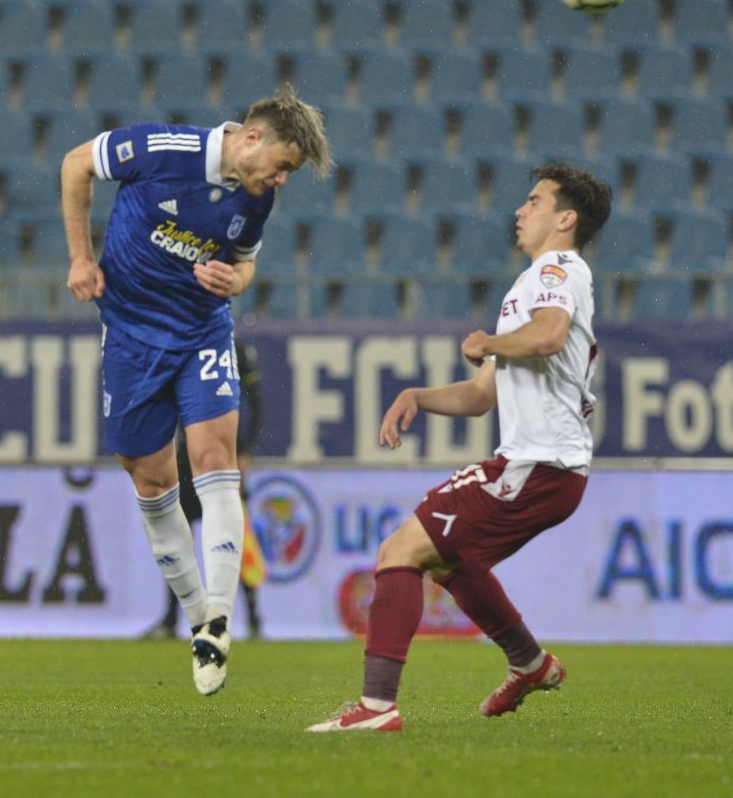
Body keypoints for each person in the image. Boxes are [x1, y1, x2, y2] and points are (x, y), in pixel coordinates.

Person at [306, 163, 612, 733]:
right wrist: (418, 396)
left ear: (566, 218)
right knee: (450, 563)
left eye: (535, 201)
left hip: (539, 463)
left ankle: (376, 709)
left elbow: (546, 337)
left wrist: (488, 340)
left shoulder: (559, 268)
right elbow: (479, 395)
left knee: (400, 552)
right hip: (540, 465)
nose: (521, 211)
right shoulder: (532, 284)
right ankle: (530, 663)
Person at [62, 86, 331, 695]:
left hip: (202, 333)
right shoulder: (160, 148)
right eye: (284, 165)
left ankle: (222, 618)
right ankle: (197, 618)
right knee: (152, 481)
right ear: (252, 139)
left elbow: (246, 263)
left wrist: (235, 278)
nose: (283, 181)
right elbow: (75, 164)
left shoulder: (257, 195)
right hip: (130, 336)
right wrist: (81, 259)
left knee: (215, 460)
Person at [143, 337, 266, 640]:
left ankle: (253, 620)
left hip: (223, 455)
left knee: (233, 535)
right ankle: (171, 619)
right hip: (186, 458)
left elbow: (257, 403)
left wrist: (244, 451)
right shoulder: (179, 341)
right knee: (177, 537)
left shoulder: (230, 345)